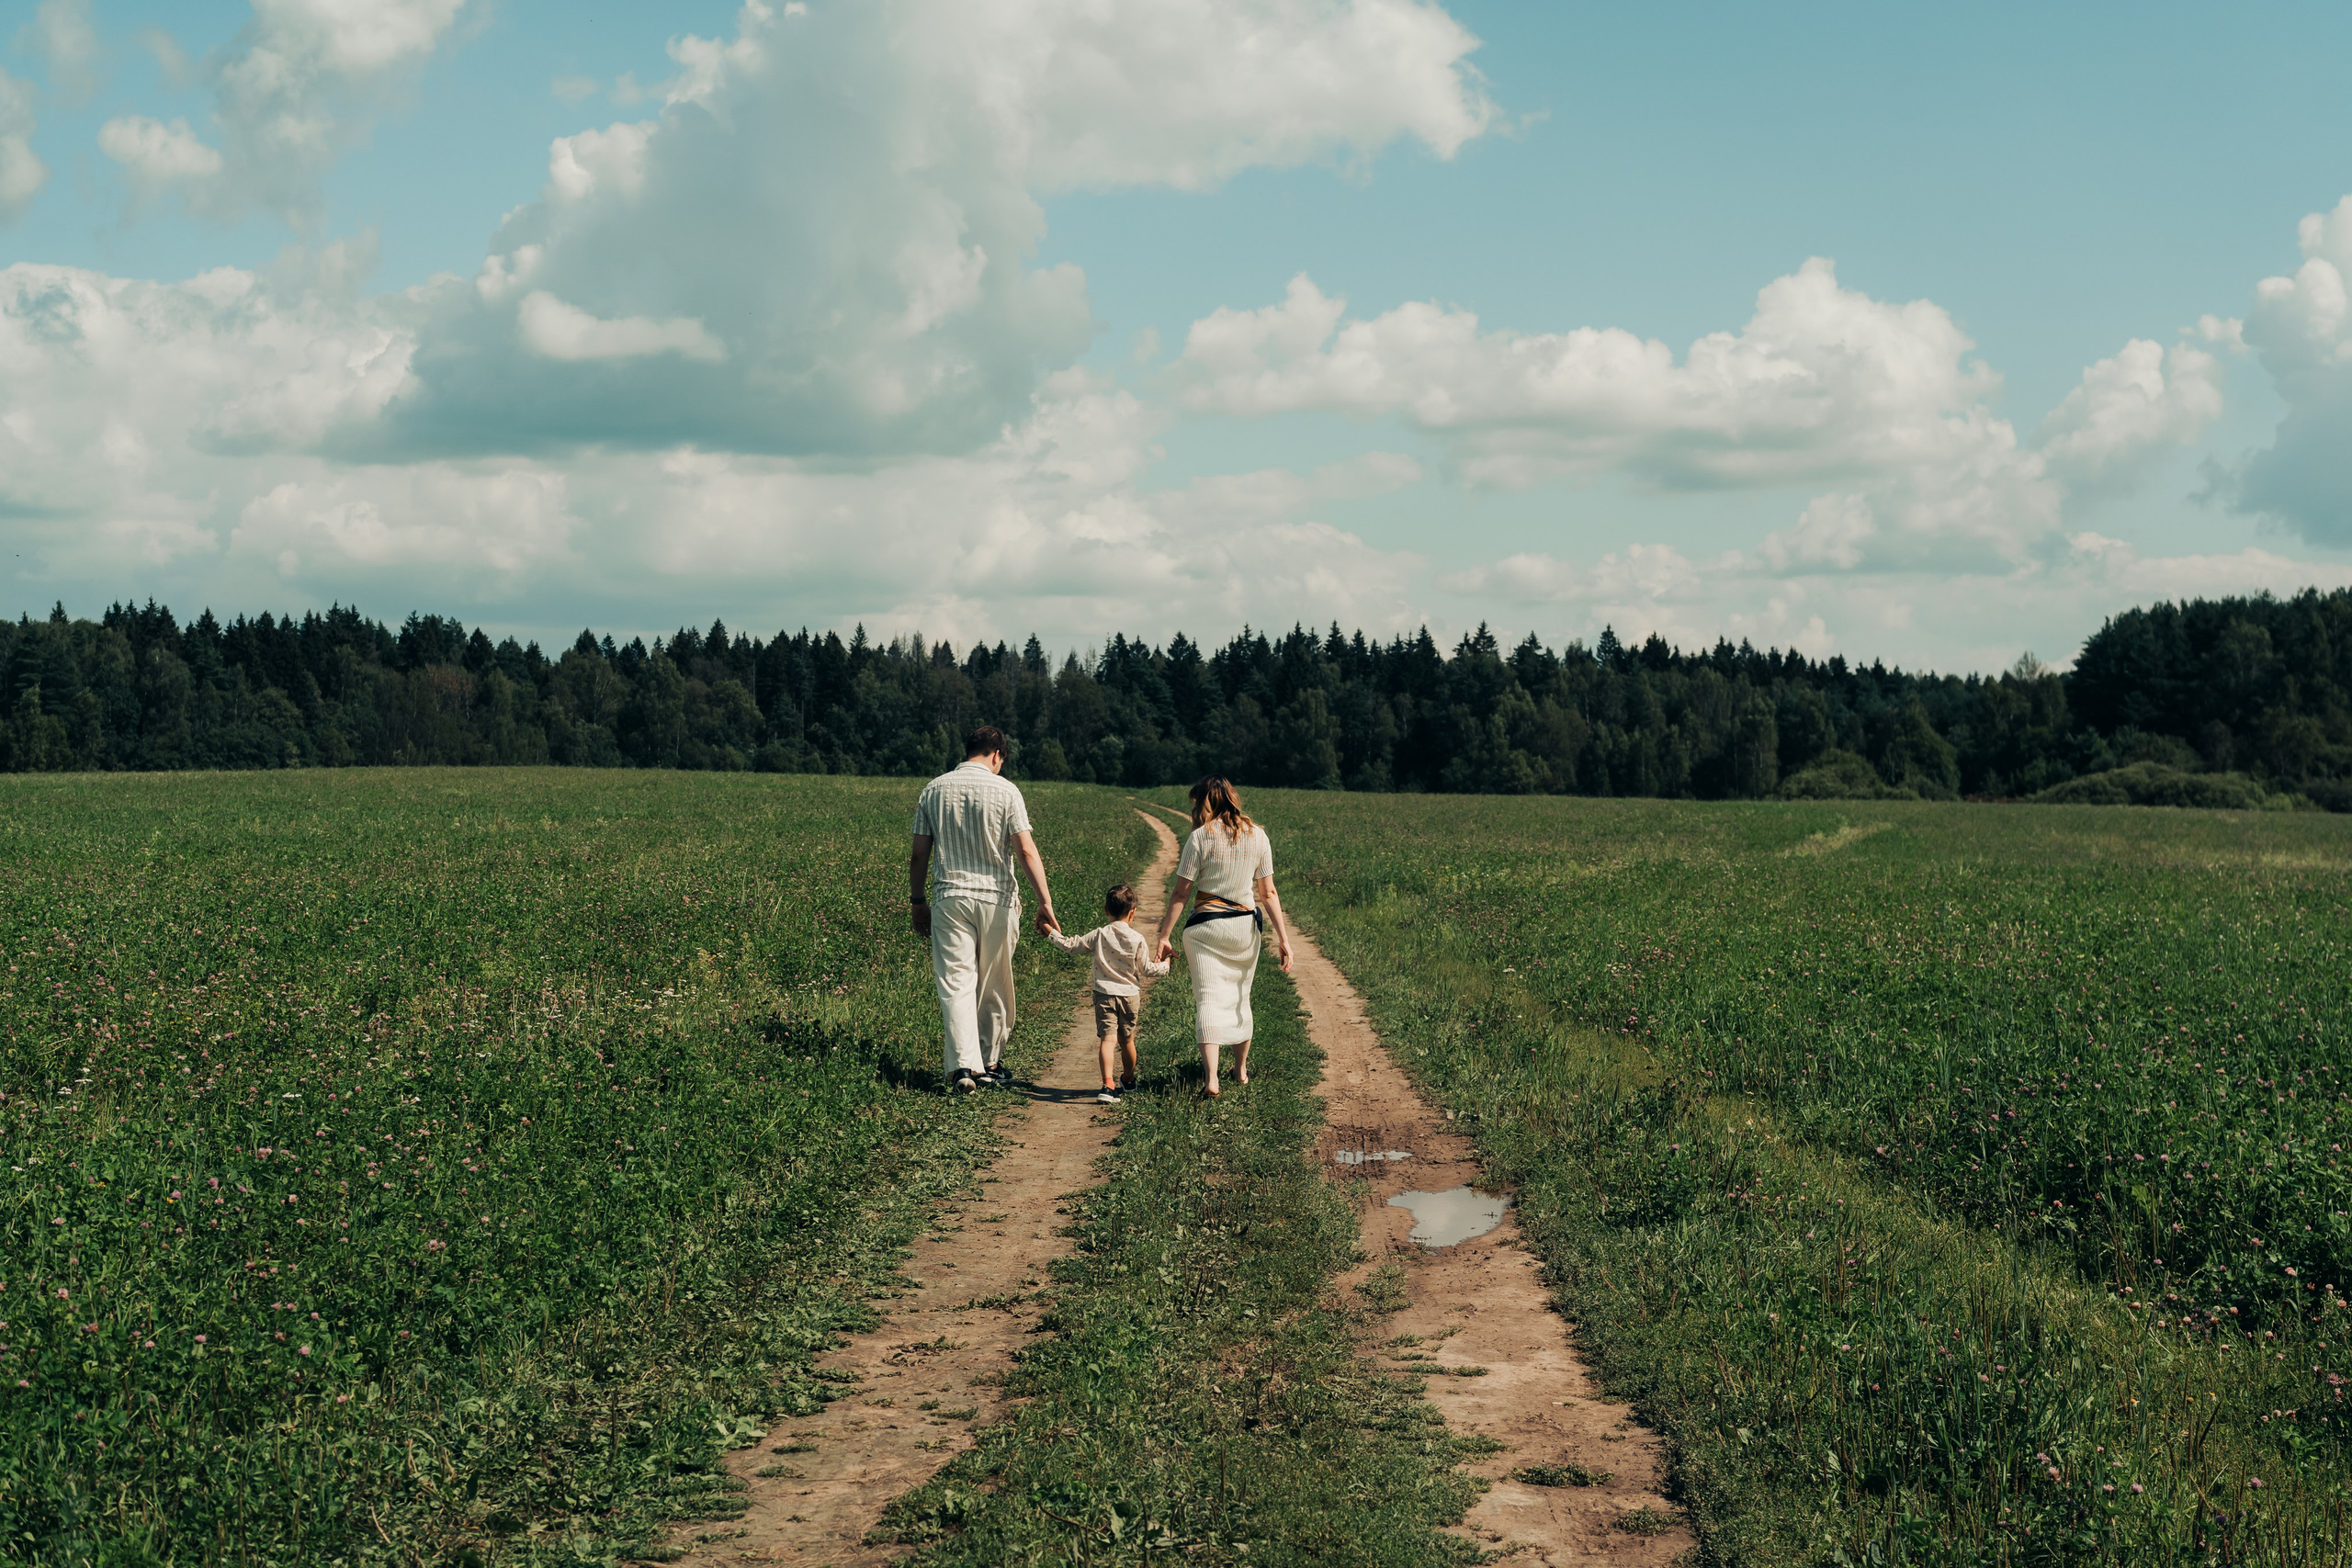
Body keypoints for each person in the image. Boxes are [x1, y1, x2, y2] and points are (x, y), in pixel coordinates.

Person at [910, 726, 1058, 1093]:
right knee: (993, 983)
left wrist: (917, 901)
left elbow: (918, 855)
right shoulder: (1007, 790)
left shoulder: (933, 789)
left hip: (950, 898)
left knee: (956, 984)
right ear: (997, 755)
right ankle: (989, 1064)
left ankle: (962, 1067)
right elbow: (1025, 850)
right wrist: (1045, 901)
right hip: (997, 900)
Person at [1150, 776, 1293, 1097]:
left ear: (1204, 803)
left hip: (1206, 929)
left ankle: (1212, 1079)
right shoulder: (1258, 836)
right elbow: (1268, 892)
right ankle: (1240, 1071)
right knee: (1241, 997)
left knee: (1209, 999)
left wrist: (1164, 935)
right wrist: (1284, 939)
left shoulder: (1200, 838)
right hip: (1245, 928)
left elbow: (1180, 893)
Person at [1045, 884, 1170, 1104]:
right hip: (1130, 997)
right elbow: (1147, 969)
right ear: (1133, 913)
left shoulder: (1100, 934)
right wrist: (1166, 964)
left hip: (1104, 995)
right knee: (1127, 1040)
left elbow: (1072, 946)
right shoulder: (1138, 939)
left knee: (1108, 1040)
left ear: (1106, 910)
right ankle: (1129, 1080)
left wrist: (1051, 933)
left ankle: (1108, 1085)